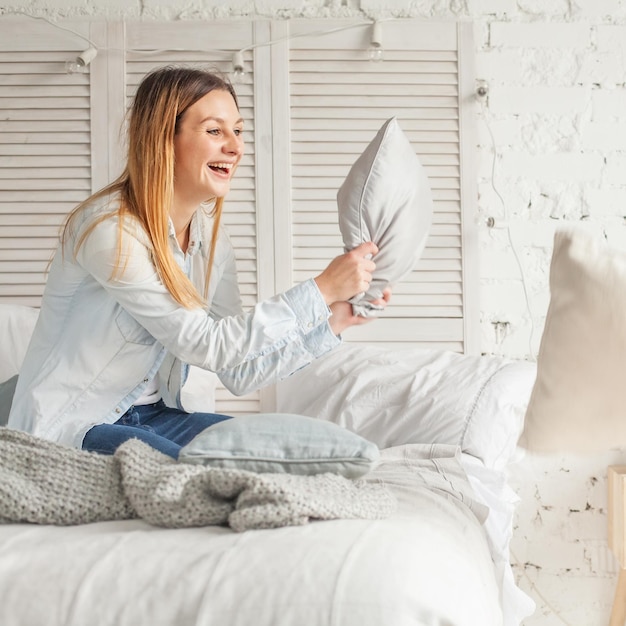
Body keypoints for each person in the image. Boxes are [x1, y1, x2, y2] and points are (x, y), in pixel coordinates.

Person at [7, 66, 389, 459]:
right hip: (76, 426)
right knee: (203, 476)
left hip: (157, 416)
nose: (235, 147)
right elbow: (207, 345)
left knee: (283, 453)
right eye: (214, 131)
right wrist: (321, 288)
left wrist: (335, 317)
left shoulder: (211, 240)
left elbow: (238, 370)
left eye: (238, 131)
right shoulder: (110, 231)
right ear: (163, 139)